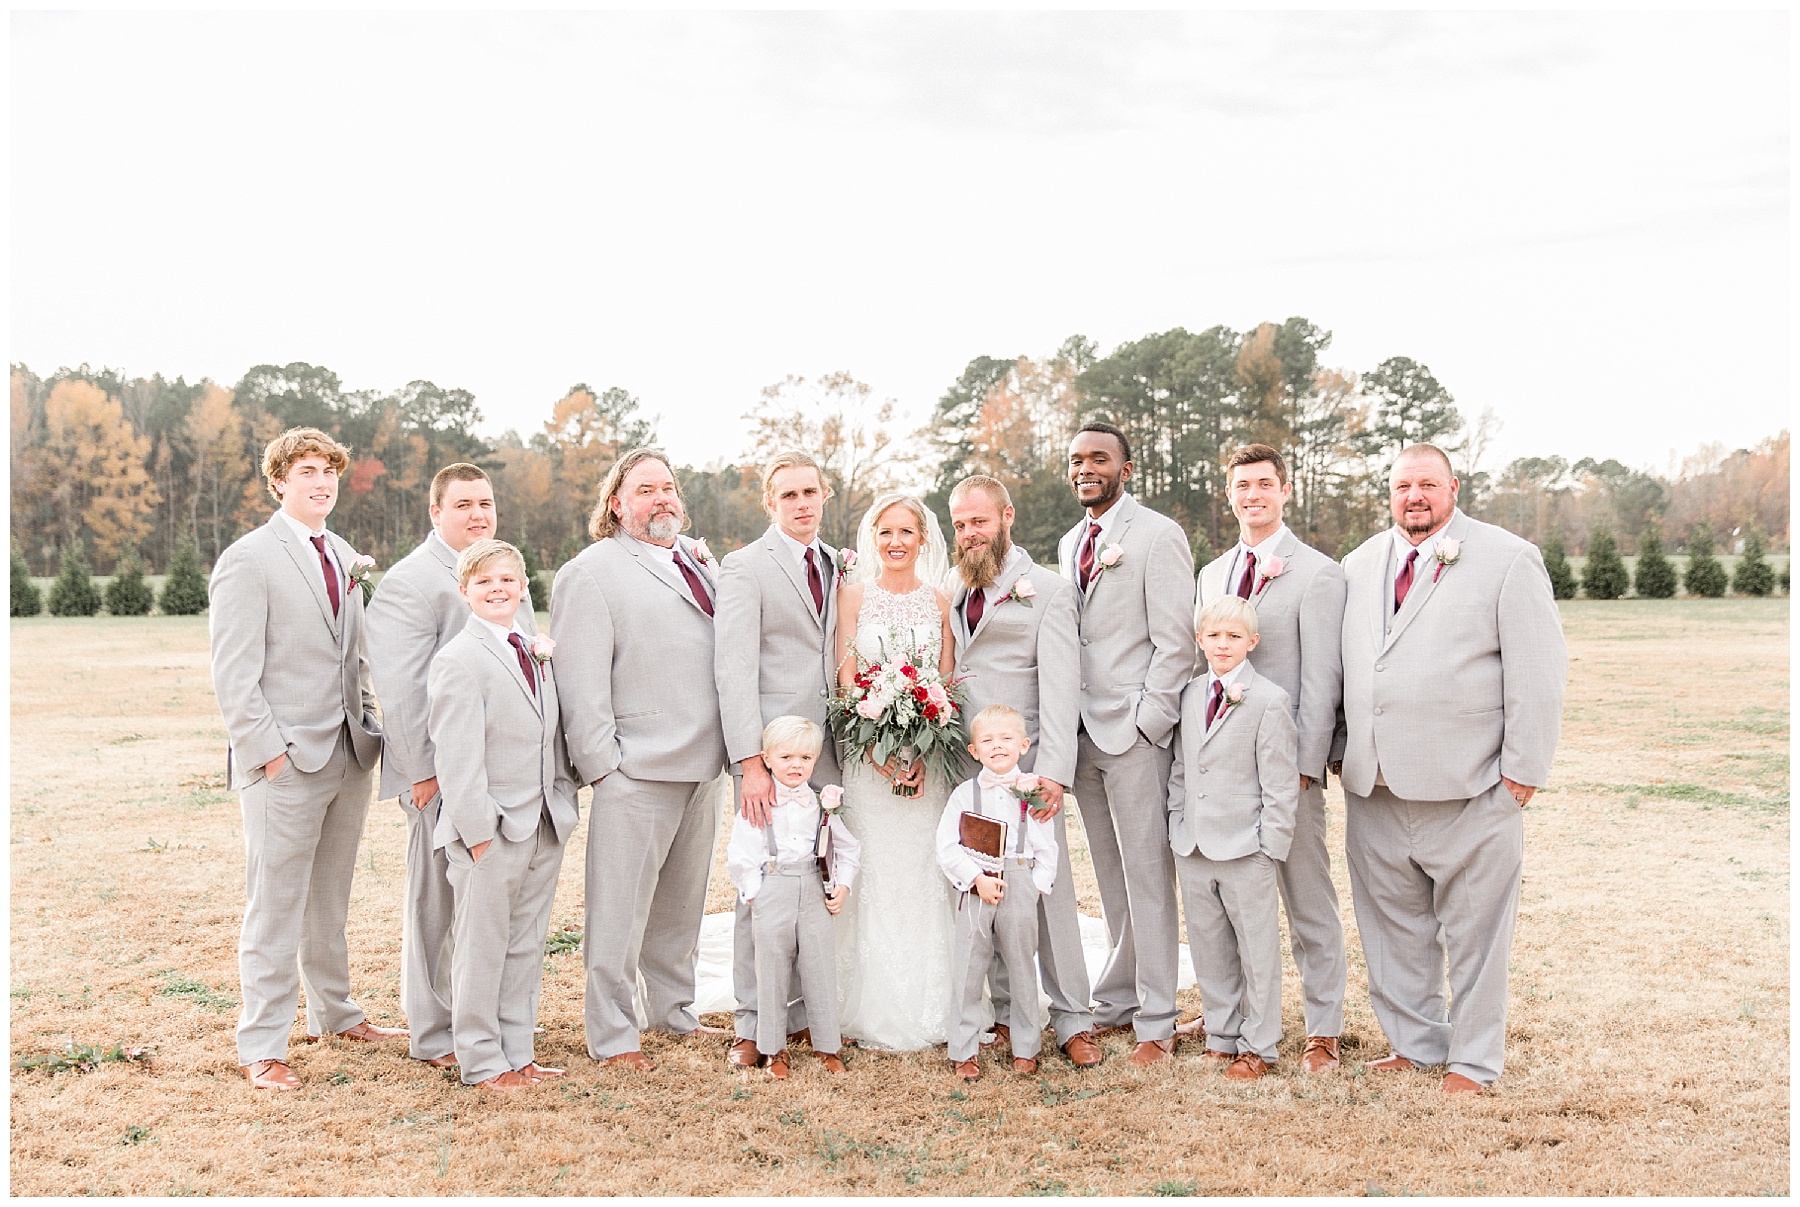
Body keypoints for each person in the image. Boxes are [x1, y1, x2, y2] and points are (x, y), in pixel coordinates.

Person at [1339, 443, 1567, 1095]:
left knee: (1475, 933)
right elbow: (1345, 667)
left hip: (1472, 785)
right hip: (1375, 786)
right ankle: (1414, 1042)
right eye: (1403, 484)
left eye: (1428, 484)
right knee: (1391, 928)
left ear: (1454, 488)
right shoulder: (1357, 565)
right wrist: (1340, 750)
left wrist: (1523, 767)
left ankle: (1472, 1059)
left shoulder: (1507, 559)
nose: (1415, 495)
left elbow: (1539, 670)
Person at [208, 427, 400, 1091]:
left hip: (348, 754)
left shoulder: (344, 554)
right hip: (284, 762)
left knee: (330, 899)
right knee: (275, 903)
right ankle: (261, 1042)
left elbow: (358, 653)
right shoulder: (248, 559)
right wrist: (268, 757)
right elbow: (235, 673)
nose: (321, 482)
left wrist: (370, 726)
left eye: (330, 472)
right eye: (308, 470)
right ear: (280, 480)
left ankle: (336, 1013)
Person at [551, 449, 728, 1071]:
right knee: (619, 912)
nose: (662, 499)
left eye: (669, 487)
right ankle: (613, 1033)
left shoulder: (697, 563)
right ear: (616, 503)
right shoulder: (590, 572)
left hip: (704, 761)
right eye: (646, 489)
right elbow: (579, 681)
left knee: (681, 907)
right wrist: (604, 766)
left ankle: (673, 1013)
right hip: (637, 767)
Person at [366, 462, 535, 1072]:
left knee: (487, 911)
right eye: (462, 504)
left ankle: (482, 1024)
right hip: (442, 774)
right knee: (435, 908)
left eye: (485, 503)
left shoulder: (502, 572)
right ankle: (434, 1033)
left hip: (506, 782)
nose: (477, 514)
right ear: (435, 513)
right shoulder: (411, 582)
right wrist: (421, 775)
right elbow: (403, 689)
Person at [1191, 444, 1348, 1073]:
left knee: (1307, 897)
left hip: (1288, 768)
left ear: (1285, 491)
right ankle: (1231, 1017)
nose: (1252, 496)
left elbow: (1323, 676)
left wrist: (1307, 764)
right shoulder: (1211, 574)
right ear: (1228, 495)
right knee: (1230, 904)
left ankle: (1323, 1028)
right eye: (1241, 486)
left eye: (1263, 484)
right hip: (1224, 774)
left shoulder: (1318, 572)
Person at [946, 475, 1102, 1069]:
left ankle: (1073, 1019)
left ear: (1007, 516)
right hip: (968, 768)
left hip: (1029, 766)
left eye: (980, 521)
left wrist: (1054, 774)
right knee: (985, 891)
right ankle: (1011, 1015)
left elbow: (1062, 688)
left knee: (1049, 892)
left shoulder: (1051, 591)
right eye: (960, 524)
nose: (970, 533)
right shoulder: (957, 588)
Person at [1055, 421, 1197, 1067]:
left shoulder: (1158, 536)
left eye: (1100, 458)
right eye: (1078, 459)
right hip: (1081, 734)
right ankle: (1118, 997)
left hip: (1134, 733)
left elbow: (1177, 642)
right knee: (1110, 877)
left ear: (1127, 468)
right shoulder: (1067, 543)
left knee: (1147, 877)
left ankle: (1158, 1021)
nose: (1087, 468)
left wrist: (1149, 722)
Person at [427, 540, 578, 1092]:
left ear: (522, 587)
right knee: (481, 947)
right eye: (485, 582)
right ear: (464, 591)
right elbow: (456, 756)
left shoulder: (534, 650)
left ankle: (519, 1051)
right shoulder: (458, 660)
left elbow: (551, 735)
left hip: (542, 822)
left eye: (508, 580)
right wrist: (478, 833)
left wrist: (559, 797)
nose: (498, 590)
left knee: (525, 943)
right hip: (489, 830)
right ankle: (482, 1060)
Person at [713, 452, 845, 1069]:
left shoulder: (840, 564)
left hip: (830, 751)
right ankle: (751, 1023)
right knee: (759, 886)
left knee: (813, 877)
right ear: (770, 503)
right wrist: (750, 763)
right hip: (770, 752)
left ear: (825, 496)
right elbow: (733, 667)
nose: (802, 503)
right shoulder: (744, 567)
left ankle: (806, 1016)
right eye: (788, 494)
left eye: (810, 492)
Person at [831, 492, 960, 1051]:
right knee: (876, 871)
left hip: (929, 765)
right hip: (868, 760)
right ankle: (864, 1002)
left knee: (923, 871)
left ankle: (934, 1003)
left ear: (923, 539)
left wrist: (924, 754)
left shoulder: (941, 601)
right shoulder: (851, 598)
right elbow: (846, 680)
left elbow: (948, 685)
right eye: (886, 532)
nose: (896, 542)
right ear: (872, 538)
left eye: (907, 532)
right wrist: (879, 753)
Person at [1166, 597, 1298, 1082]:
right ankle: (1222, 1035)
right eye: (1214, 636)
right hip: (1194, 844)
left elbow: (1280, 785)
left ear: (1252, 643)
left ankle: (1259, 1047)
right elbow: (1182, 766)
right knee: (1209, 946)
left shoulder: (1268, 700)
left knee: (1257, 950)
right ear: (1200, 640)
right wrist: (1178, 820)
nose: (1223, 645)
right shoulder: (1188, 694)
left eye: (1234, 637)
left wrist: (1270, 847)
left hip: (1247, 847)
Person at [723, 716, 860, 1079]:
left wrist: (841, 885)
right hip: (772, 887)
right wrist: (754, 893)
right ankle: (772, 1049)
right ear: (766, 758)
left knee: (818, 965)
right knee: (771, 968)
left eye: (804, 758)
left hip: (813, 887)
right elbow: (740, 854)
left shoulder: (821, 804)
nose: (796, 765)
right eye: (786, 758)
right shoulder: (757, 804)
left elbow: (848, 848)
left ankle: (827, 1046)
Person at [936, 705, 1059, 1080]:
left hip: (1020, 879)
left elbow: (1047, 847)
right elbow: (947, 846)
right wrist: (976, 878)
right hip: (976, 884)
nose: (998, 747)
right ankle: (963, 1049)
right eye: (987, 741)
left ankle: (1026, 1046)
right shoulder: (964, 793)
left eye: (1006, 739)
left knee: (1021, 966)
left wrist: (1035, 887)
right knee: (970, 967)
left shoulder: (1033, 791)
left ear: (1023, 745)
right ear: (974, 751)